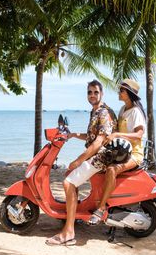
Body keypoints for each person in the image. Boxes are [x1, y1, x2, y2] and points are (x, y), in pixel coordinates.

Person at [45, 79, 117, 245]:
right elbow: (91, 136)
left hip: (102, 158)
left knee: (68, 183)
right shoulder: (95, 111)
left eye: (95, 92)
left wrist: (77, 161)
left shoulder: (104, 113)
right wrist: (74, 135)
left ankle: (68, 232)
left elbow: (98, 143)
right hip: (97, 156)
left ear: (102, 94)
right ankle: (73, 214)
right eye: (89, 92)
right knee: (71, 177)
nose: (92, 95)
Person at [89, 78, 146, 225]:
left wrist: (117, 135)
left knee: (112, 169)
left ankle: (101, 208)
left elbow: (139, 135)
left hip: (134, 154)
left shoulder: (136, 112)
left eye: (121, 90)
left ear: (129, 93)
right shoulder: (123, 110)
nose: (119, 92)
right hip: (121, 151)